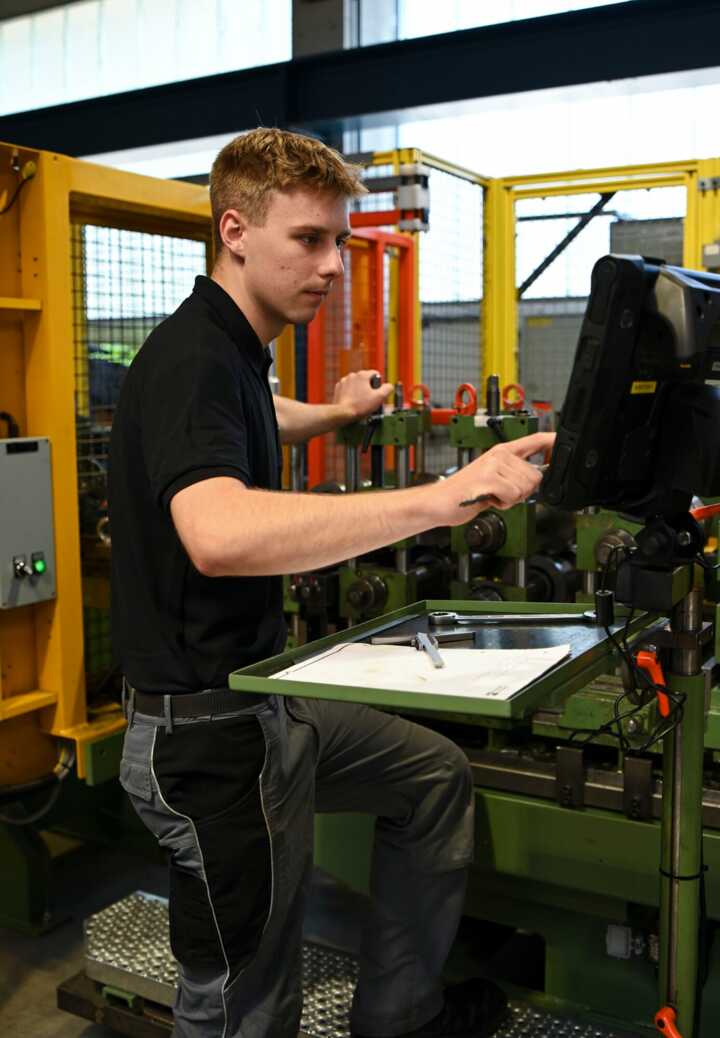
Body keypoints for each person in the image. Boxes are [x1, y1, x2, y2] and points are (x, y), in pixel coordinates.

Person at [109, 127, 554, 1038]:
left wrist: (336, 412)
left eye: (339, 241)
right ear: (235, 231)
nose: (333, 265)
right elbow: (219, 536)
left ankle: (399, 1014)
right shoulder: (192, 360)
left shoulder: (230, 350)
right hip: (208, 742)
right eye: (309, 239)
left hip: (263, 702)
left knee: (431, 778)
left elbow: (256, 414)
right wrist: (440, 498)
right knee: (243, 999)